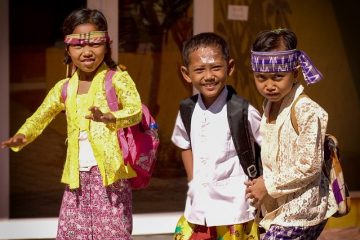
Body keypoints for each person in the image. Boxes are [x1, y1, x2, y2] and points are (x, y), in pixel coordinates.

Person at [1, 8, 142, 239]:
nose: (87, 52)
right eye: (78, 45)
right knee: (72, 234)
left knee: (113, 234)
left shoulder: (117, 79)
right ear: (67, 48)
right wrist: (23, 135)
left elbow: (135, 110)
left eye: (95, 44)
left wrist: (111, 117)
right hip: (76, 179)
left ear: (107, 46)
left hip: (111, 180)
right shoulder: (64, 87)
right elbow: (40, 116)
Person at [245, 28, 337, 239]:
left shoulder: (307, 110)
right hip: (278, 209)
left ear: (295, 73)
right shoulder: (269, 104)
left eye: (278, 77)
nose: (269, 85)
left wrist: (267, 184)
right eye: (261, 78)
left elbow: (309, 166)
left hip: (302, 211)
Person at [171, 32, 262, 240]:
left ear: (229, 68)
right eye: (199, 70)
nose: (208, 76)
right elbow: (184, 144)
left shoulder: (243, 111)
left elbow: (269, 146)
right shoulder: (187, 110)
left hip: (234, 210)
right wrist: (193, 178)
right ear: (187, 74)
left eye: (216, 67)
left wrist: (262, 183)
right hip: (198, 208)